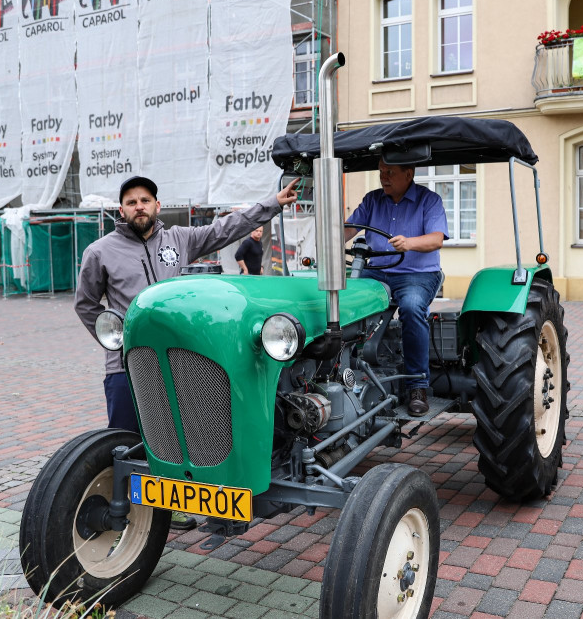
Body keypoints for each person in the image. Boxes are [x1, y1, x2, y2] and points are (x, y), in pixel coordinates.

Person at [74, 175, 298, 529]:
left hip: (182, 360)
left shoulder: (179, 238)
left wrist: (272, 203)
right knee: (129, 440)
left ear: (157, 205)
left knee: (190, 436)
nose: (139, 207)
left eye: (145, 200)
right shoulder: (100, 251)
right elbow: (85, 304)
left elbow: (227, 228)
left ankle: (192, 502)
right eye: (131, 202)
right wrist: (115, 339)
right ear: (121, 210)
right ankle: (138, 519)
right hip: (127, 364)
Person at [345, 161, 448, 417]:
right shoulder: (372, 200)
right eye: (380, 172)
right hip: (376, 271)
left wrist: (409, 243)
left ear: (409, 174)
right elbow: (347, 230)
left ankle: (417, 386)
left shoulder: (429, 200)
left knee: (412, 308)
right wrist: (330, 232)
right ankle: (344, 374)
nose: (384, 177)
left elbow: (436, 239)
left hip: (417, 274)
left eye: (390, 172)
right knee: (343, 301)